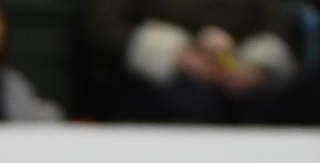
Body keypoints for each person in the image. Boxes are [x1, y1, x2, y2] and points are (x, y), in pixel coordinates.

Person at [85, 0, 296, 123]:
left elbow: (274, 30)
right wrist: (178, 56)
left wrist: (254, 67)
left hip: (235, 70)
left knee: (272, 104)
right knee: (192, 102)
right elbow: (103, 30)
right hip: (152, 79)